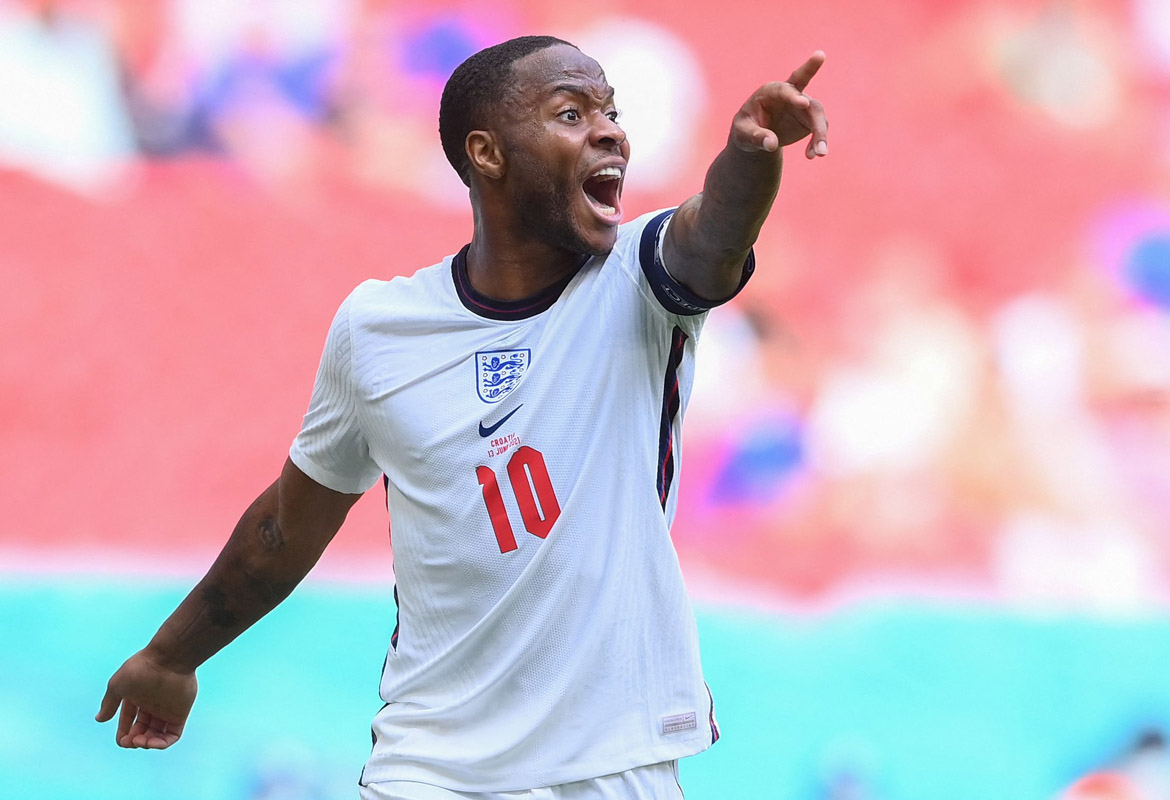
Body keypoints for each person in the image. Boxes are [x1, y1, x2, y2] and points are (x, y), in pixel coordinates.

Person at [95, 34, 829, 799]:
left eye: (612, 112)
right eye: (572, 112)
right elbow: (287, 525)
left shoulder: (639, 282)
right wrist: (172, 657)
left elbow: (712, 241)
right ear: (487, 153)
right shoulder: (380, 329)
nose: (610, 129)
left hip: (612, 768)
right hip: (430, 770)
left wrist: (750, 156)